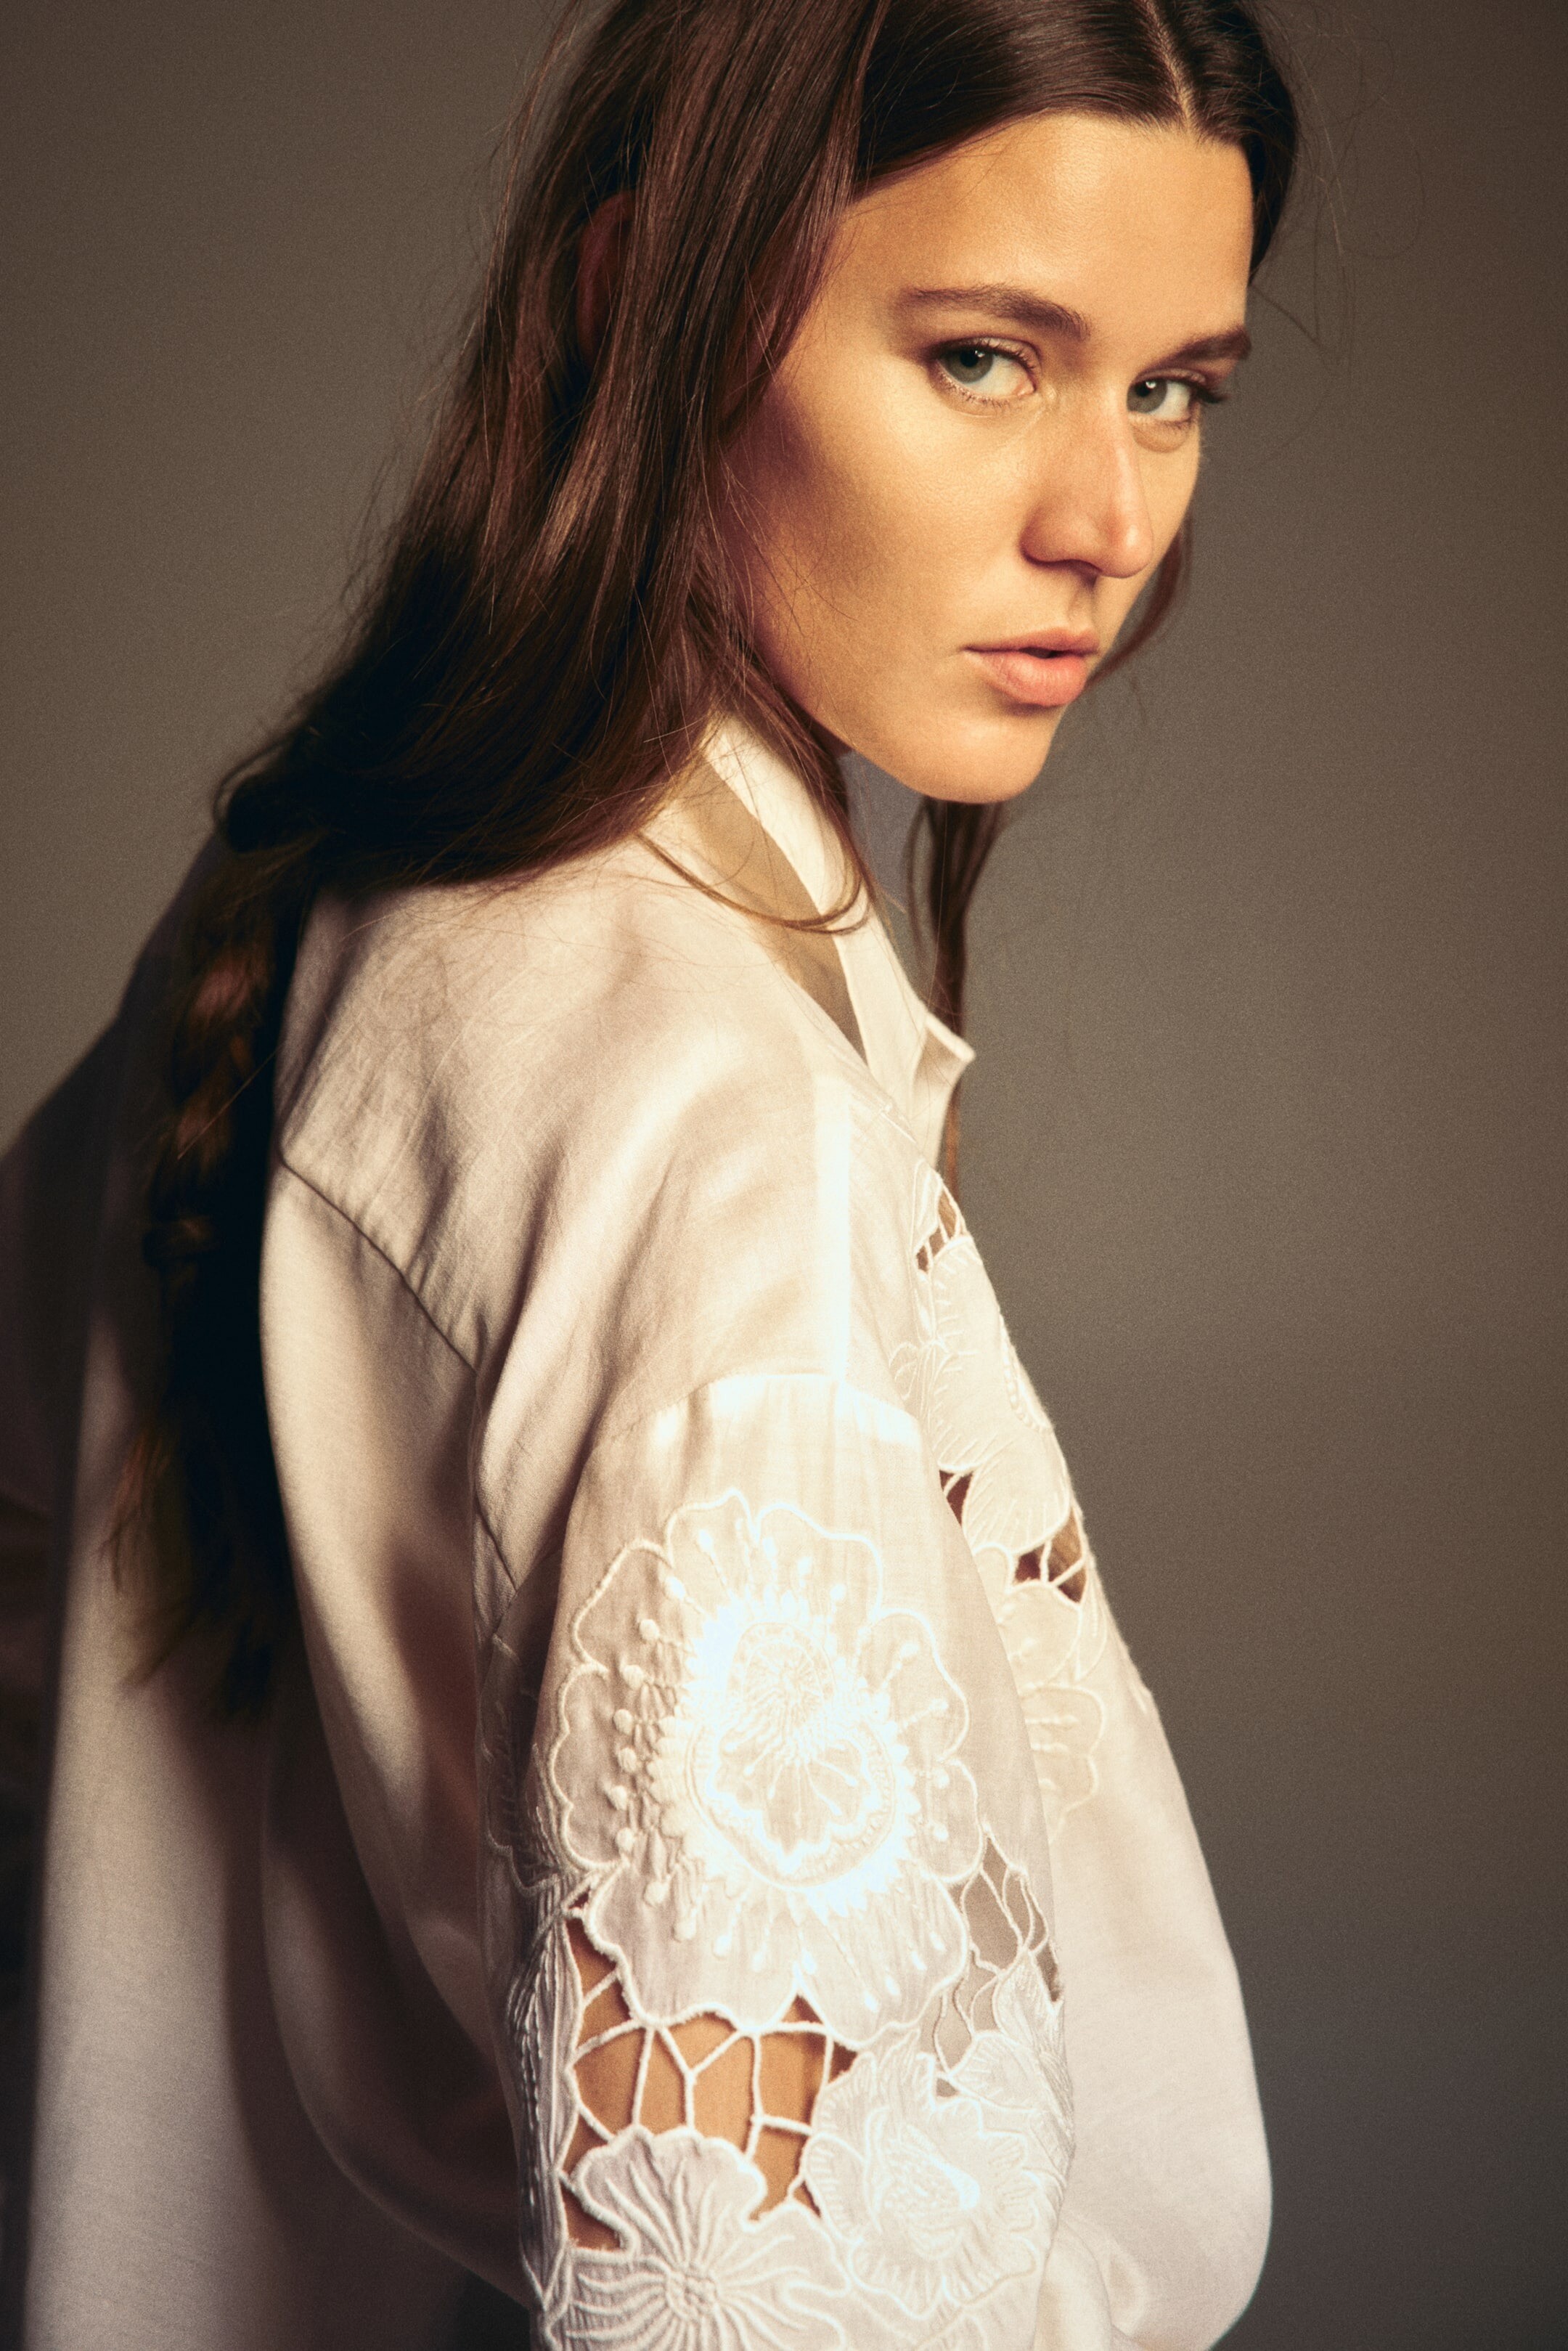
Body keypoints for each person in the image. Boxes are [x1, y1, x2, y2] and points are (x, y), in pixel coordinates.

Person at [0, 0, 1299, 2342]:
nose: (1107, 522)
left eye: (1174, 389)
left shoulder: (317, 881)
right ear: (643, 299)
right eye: (985, 358)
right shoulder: (721, 1149)